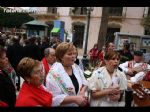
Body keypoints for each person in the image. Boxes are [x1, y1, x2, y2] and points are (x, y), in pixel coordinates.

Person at [46, 42, 88, 107]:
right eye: (69, 54)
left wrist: (82, 91)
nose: (73, 56)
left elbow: (84, 82)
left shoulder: (76, 67)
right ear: (61, 57)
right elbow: (54, 98)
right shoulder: (53, 73)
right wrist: (75, 99)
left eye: (74, 53)